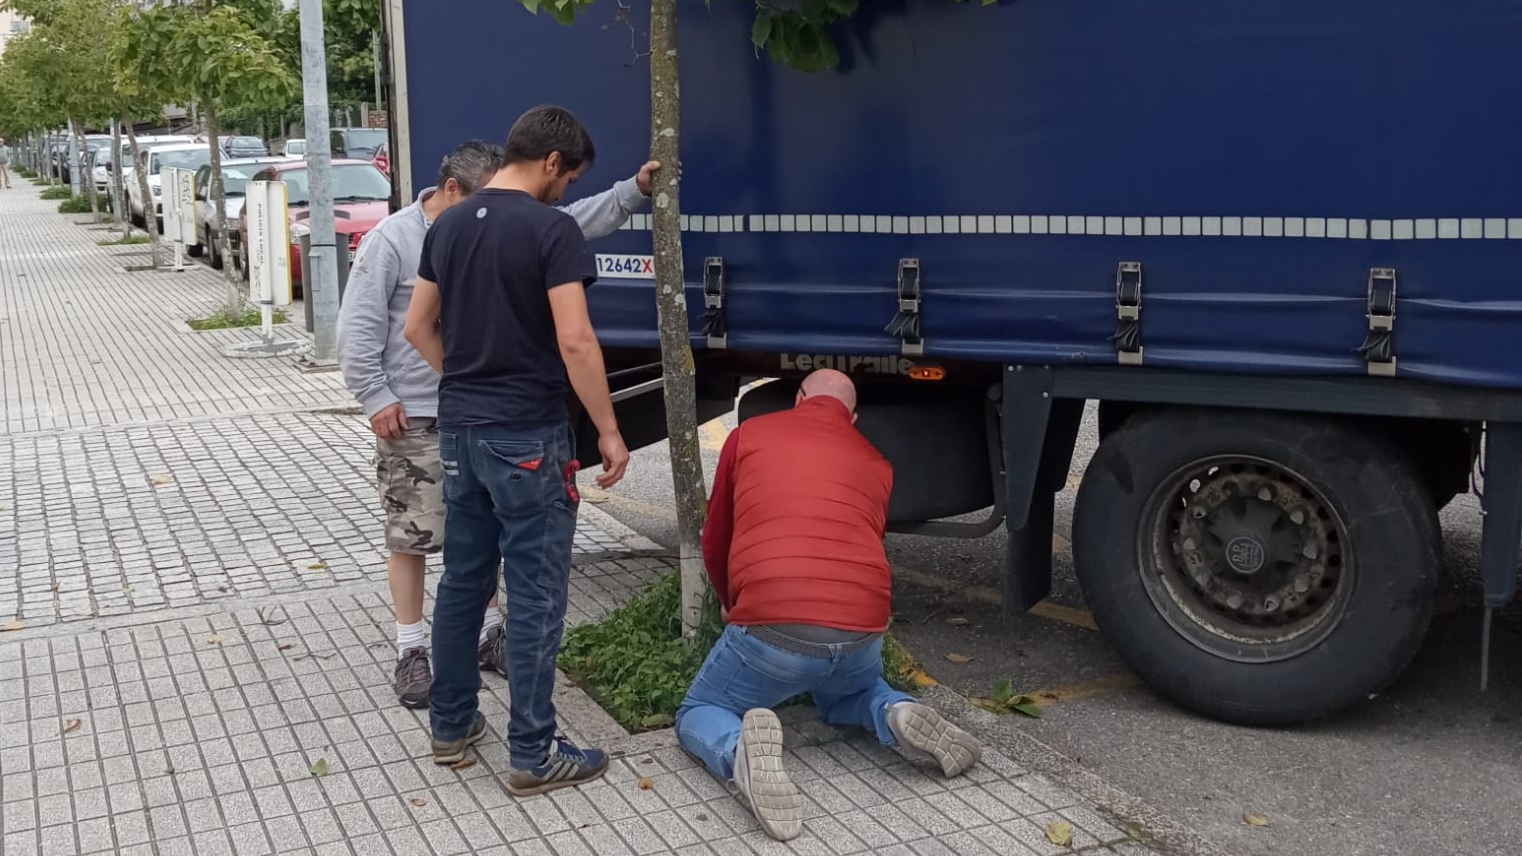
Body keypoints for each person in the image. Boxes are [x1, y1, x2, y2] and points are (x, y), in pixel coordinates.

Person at [337, 140, 658, 709]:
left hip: (469, 412)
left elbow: (568, 219)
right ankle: (411, 648)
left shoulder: (481, 221)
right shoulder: (394, 239)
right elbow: (360, 326)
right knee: (413, 534)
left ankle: (487, 639)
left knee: (474, 545)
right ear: (454, 190)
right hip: (412, 412)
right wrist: (374, 394)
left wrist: (632, 193)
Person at [404, 105, 630, 796]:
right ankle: (533, 751)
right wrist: (611, 431)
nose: (565, 192)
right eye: (571, 178)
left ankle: (452, 726)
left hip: (461, 432)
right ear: (552, 163)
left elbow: (417, 327)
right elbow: (576, 340)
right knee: (534, 594)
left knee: (465, 581)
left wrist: (469, 385)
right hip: (527, 436)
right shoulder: (550, 230)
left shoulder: (445, 227)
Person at [674, 369, 982, 841]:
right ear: (853, 417)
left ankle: (738, 750)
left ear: (797, 399)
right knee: (846, 693)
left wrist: (729, 601)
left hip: (773, 628)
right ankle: (893, 711)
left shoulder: (750, 434)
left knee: (700, 707)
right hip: (861, 630)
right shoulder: (876, 462)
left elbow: (717, 536)